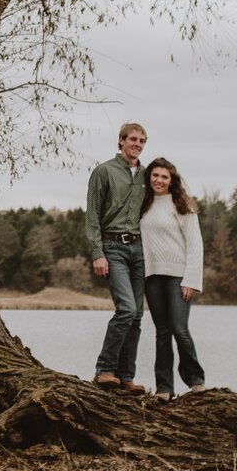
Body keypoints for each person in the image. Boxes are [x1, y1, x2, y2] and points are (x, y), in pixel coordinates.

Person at [84, 122, 150, 390]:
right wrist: (97, 253)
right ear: (121, 141)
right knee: (126, 309)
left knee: (137, 316)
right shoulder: (104, 172)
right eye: (133, 139)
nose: (137, 144)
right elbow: (92, 215)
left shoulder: (148, 176)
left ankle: (125, 377)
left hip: (140, 249)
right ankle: (104, 369)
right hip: (113, 248)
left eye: (142, 140)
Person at [139, 157, 207, 396]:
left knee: (180, 329)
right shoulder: (143, 204)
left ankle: (196, 380)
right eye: (155, 175)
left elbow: (195, 244)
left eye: (164, 177)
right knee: (162, 333)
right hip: (152, 276)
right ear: (149, 177)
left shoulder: (182, 205)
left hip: (179, 277)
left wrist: (191, 280)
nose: (159, 180)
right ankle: (164, 389)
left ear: (172, 180)